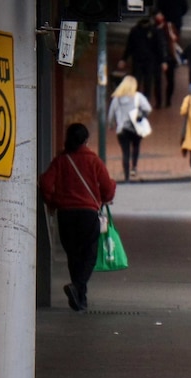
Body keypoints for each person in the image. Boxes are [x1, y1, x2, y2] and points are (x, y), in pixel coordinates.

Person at [40, 123, 117, 312]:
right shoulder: (94, 161)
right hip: (87, 214)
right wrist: (106, 197)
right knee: (89, 255)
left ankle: (80, 299)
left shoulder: (61, 160)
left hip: (65, 215)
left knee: (73, 256)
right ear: (85, 140)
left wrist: (54, 201)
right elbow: (107, 188)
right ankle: (77, 287)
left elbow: (45, 182)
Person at [107, 75, 152, 182]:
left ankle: (126, 176)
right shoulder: (138, 96)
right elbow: (148, 108)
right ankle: (134, 168)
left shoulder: (116, 99)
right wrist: (140, 114)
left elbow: (110, 115)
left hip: (122, 129)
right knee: (136, 146)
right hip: (135, 127)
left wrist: (111, 125)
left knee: (125, 152)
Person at [117, 15, 167, 105]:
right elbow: (129, 46)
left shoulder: (153, 31)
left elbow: (159, 47)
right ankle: (134, 101)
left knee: (148, 83)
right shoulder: (135, 31)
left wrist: (163, 61)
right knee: (136, 82)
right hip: (138, 61)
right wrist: (123, 59)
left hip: (149, 61)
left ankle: (145, 102)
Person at [153, 8, 179, 108]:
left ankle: (168, 99)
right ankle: (159, 102)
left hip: (169, 56)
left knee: (171, 80)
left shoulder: (169, 26)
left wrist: (172, 35)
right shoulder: (154, 28)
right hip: (158, 57)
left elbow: (175, 38)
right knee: (157, 80)